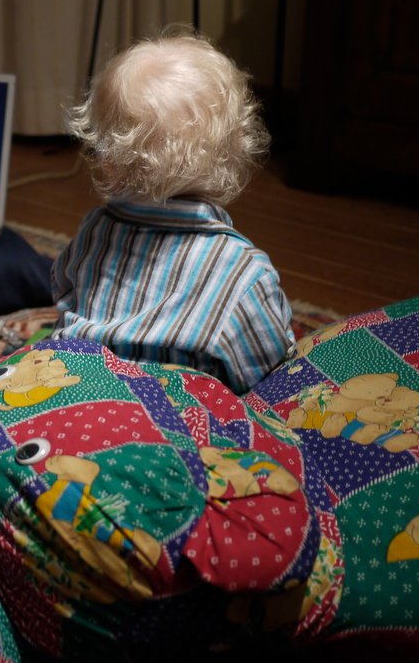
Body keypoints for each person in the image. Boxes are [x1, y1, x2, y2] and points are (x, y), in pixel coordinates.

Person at [51, 27, 293, 394]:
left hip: (78, 400)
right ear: (234, 151)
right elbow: (271, 375)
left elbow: (64, 290)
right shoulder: (243, 273)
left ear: (107, 154)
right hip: (172, 433)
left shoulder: (96, 230)